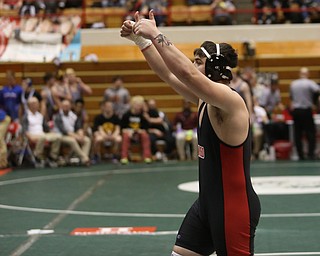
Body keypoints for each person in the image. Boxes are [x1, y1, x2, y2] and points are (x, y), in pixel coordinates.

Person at [120, 10, 261, 255]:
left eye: (198, 60)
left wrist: (157, 34)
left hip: (233, 209)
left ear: (214, 66)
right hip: (206, 204)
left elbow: (186, 72)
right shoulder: (204, 99)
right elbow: (169, 73)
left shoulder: (229, 100)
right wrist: (142, 41)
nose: (193, 65)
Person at [21, 97, 61, 168]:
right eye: (34, 104)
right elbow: (24, 130)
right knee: (42, 137)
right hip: (32, 135)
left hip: (42, 134)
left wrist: (52, 132)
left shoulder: (40, 115)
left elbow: (46, 128)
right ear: (29, 105)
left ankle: (52, 157)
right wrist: (29, 136)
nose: (36, 105)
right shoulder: (26, 116)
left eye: (36, 103)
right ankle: (37, 156)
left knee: (57, 136)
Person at [290, 67, 320, 160]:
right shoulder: (310, 83)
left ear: (300, 74)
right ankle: (311, 154)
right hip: (306, 110)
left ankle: (300, 154)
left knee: (297, 133)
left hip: (296, 111)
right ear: (307, 74)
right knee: (310, 133)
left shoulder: (293, 84)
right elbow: (318, 90)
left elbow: (291, 97)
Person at [53, 99, 91, 166]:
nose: (66, 107)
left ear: (70, 106)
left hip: (73, 134)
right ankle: (84, 158)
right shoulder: (58, 116)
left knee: (87, 140)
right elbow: (64, 131)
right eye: (64, 106)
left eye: (67, 106)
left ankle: (82, 160)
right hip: (62, 136)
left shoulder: (73, 115)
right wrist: (76, 136)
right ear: (61, 106)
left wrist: (81, 135)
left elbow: (78, 127)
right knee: (72, 140)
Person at [120, 95, 152, 164]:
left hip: (139, 134)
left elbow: (146, 129)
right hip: (129, 134)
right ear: (132, 105)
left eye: (140, 105)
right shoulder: (126, 115)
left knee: (145, 135)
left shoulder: (143, 115)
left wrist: (138, 131)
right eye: (137, 105)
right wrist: (129, 131)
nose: (138, 107)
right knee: (125, 135)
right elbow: (122, 128)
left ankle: (147, 156)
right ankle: (124, 157)